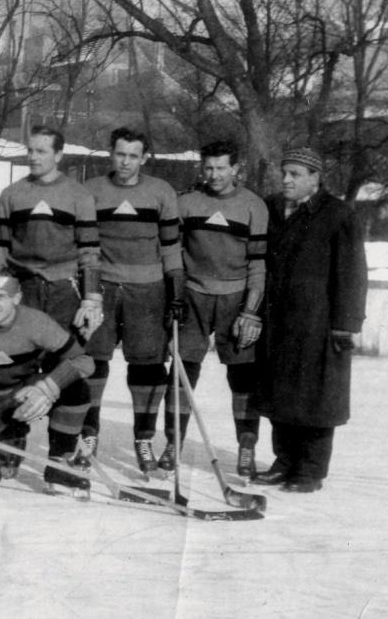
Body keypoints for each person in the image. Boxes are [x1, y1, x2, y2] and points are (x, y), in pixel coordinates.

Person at [252, 148, 367, 493]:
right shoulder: (270, 208)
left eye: (296, 174)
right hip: (277, 320)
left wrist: (345, 324)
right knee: (279, 393)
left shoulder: (338, 215)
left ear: (315, 178)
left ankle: (311, 469)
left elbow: (352, 273)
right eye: (284, 173)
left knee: (316, 396)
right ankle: (284, 460)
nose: (286, 180)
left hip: (318, 322)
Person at [80, 128, 182, 473]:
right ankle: (89, 432)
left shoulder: (161, 192)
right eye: (120, 154)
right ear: (111, 153)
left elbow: (171, 248)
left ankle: (143, 438)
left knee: (149, 367)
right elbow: (87, 249)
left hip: (147, 290)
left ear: (144, 158)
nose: (125, 162)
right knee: (93, 360)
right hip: (104, 287)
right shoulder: (92, 191)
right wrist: (90, 292)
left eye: (133, 156)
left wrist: (176, 292)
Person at [0, 266, 95, 495]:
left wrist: (48, 388)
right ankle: (10, 438)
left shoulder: (37, 322)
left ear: (16, 298)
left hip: (19, 394)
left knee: (76, 388)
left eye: (1, 297)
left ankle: (59, 465)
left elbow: (84, 361)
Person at [170, 140, 268, 475]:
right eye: (208, 168)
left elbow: (258, 264)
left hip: (235, 297)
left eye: (221, 168)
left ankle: (245, 449)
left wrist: (251, 310)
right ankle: (172, 444)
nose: (214, 175)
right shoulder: (186, 203)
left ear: (236, 169)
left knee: (243, 378)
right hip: (195, 295)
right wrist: (176, 294)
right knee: (182, 373)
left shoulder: (254, 206)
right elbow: (174, 253)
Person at [0, 125, 102, 335]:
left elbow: (89, 252)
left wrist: (91, 298)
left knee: (62, 358)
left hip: (64, 289)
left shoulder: (79, 195)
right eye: (30, 150)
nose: (33, 157)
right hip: (23, 288)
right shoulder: (11, 194)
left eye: (41, 152)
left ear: (58, 155)